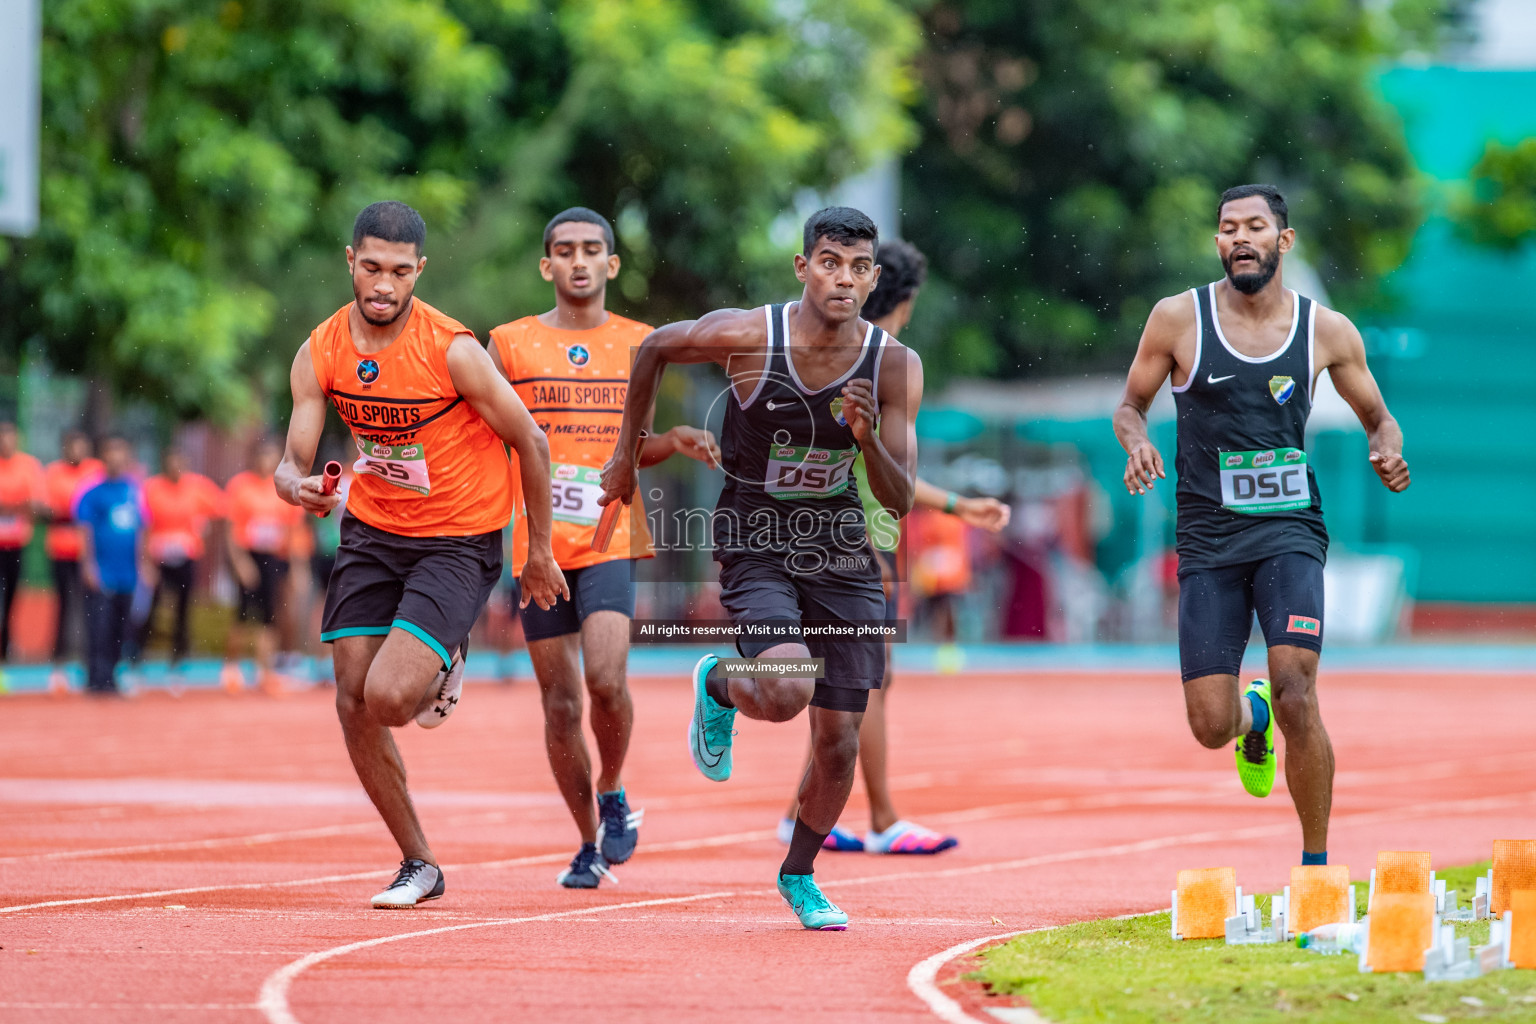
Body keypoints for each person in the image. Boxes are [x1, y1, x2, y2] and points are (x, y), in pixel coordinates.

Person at [600, 207, 923, 929]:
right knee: (785, 691)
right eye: (830, 262)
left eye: (859, 268)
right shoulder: (751, 335)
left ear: (873, 278)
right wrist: (628, 452)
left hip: (839, 544)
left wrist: (868, 441)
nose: (844, 279)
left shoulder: (894, 365)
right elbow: (653, 346)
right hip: (756, 533)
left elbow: (898, 500)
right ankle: (718, 680)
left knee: (839, 741)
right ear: (803, 267)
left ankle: (799, 874)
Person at [274, 200, 566, 909]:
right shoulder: (321, 351)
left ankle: (445, 649)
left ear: (419, 272)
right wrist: (299, 487)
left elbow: (531, 441)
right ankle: (418, 862)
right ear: (350, 262)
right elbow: (289, 461)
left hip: (458, 537)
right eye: (371, 267)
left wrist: (538, 552)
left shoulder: (452, 350)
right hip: (374, 531)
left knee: (391, 698)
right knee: (351, 701)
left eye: (399, 272)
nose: (383, 284)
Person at [1113, 184, 1410, 866]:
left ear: (1284, 239)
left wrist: (1386, 447)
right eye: (1226, 228)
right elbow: (1129, 407)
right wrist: (1137, 444)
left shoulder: (1327, 331)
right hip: (1209, 536)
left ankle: (1315, 868)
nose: (1239, 238)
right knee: (1209, 726)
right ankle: (1252, 719)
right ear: (1217, 242)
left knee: (1297, 690)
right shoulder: (1177, 319)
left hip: (1289, 529)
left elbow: (1379, 417)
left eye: (1254, 226)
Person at [489, 207, 720, 888]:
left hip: (610, 535)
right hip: (537, 548)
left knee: (606, 680)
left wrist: (671, 441)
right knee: (560, 705)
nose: (580, 261)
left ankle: (613, 788)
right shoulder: (508, 345)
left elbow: (627, 453)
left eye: (593, 250)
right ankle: (587, 842)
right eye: (566, 251)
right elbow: (489, 440)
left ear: (612, 265)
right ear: (547, 265)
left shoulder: (643, 344)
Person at [773, 240, 1010, 855]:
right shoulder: (880, 362)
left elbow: (891, 473)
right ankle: (880, 818)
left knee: (840, 678)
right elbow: (860, 468)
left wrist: (957, 505)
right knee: (865, 677)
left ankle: (799, 809)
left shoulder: (841, 354)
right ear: (900, 301)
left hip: (830, 534)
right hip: (850, 540)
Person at [223, 439, 305, 695]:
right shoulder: (240, 486)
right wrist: (240, 563)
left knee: (270, 617)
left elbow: (292, 532)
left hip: (273, 558)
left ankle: (265, 672)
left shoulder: (283, 488)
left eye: (271, 456)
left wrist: (297, 569)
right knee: (243, 613)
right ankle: (232, 669)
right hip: (248, 554)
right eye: (262, 455)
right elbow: (231, 530)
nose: (266, 461)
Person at [137, 446, 225, 669]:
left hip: (187, 556)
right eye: (171, 464)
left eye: (180, 465)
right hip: (159, 557)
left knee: (183, 606)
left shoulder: (198, 487)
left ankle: (179, 655)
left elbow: (222, 509)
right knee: (152, 606)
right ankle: (138, 653)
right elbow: (144, 524)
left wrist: (204, 528)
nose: (175, 469)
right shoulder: (152, 488)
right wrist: (146, 560)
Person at [75, 435, 150, 695]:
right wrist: (88, 565)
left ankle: (112, 676)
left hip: (127, 572)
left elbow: (142, 530)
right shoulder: (92, 493)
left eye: (121, 453)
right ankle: (96, 676)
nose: (116, 458)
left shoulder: (134, 491)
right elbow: (84, 531)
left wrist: (145, 565)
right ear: (103, 457)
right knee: (100, 625)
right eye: (111, 452)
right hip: (102, 570)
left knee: (121, 625)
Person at [44, 432, 103, 690]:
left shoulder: (96, 473)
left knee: (92, 609)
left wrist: (74, 514)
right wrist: (71, 514)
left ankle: (93, 664)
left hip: (89, 553)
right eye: (72, 447)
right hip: (61, 550)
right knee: (64, 607)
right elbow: (44, 510)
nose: (76, 451)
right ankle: (58, 664)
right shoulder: (53, 473)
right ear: (64, 448)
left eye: (81, 446)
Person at [0, 422, 46, 664]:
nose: (5, 442)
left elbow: (37, 505)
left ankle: (7, 643)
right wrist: (17, 505)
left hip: (17, 542)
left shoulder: (28, 466)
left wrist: (14, 507)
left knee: (12, 595)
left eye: (10, 437)